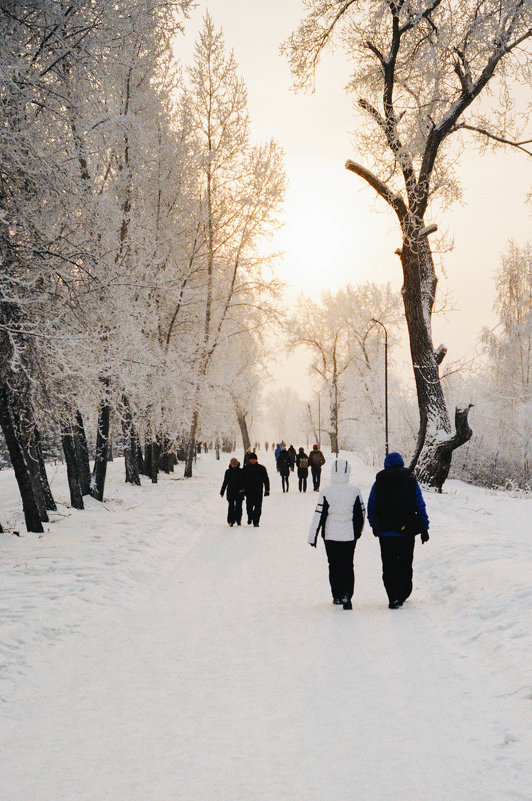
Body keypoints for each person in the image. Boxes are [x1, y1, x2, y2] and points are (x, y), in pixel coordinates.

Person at [367, 452, 429, 609]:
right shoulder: (411, 482)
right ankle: (404, 592)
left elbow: (371, 505)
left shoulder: (379, 483)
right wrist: (424, 527)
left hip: (386, 532)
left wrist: (374, 524)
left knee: (389, 565)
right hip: (406, 531)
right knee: (405, 563)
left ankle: (393, 596)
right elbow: (420, 504)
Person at [308, 457, 365, 610]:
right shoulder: (355, 491)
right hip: (348, 535)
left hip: (331, 535)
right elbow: (361, 513)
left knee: (333, 565)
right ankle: (347, 594)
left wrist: (312, 536)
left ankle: (337, 595)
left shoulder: (327, 492)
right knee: (347, 564)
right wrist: (358, 532)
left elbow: (319, 514)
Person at [242, 453, 270, 527]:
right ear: (249, 460)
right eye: (251, 459)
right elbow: (242, 480)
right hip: (248, 491)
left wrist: (267, 490)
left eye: (254, 459)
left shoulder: (261, 468)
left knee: (258, 506)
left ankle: (256, 521)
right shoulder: (245, 468)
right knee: (249, 506)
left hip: (258, 490)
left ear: (256, 460)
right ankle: (250, 517)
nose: (253, 461)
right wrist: (242, 489)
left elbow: (266, 479)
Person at [220, 457, 244, 526]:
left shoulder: (241, 471)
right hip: (231, 491)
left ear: (237, 464)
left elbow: (244, 481)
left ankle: (238, 520)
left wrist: (244, 490)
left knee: (238, 507)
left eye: (235, 464)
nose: (234, 465)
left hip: (240, 492)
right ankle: (231, 520)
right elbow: (225, 482)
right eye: (233, 464)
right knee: (231, 507)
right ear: (230, 464)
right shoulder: (228, 472)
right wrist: (222, 491)